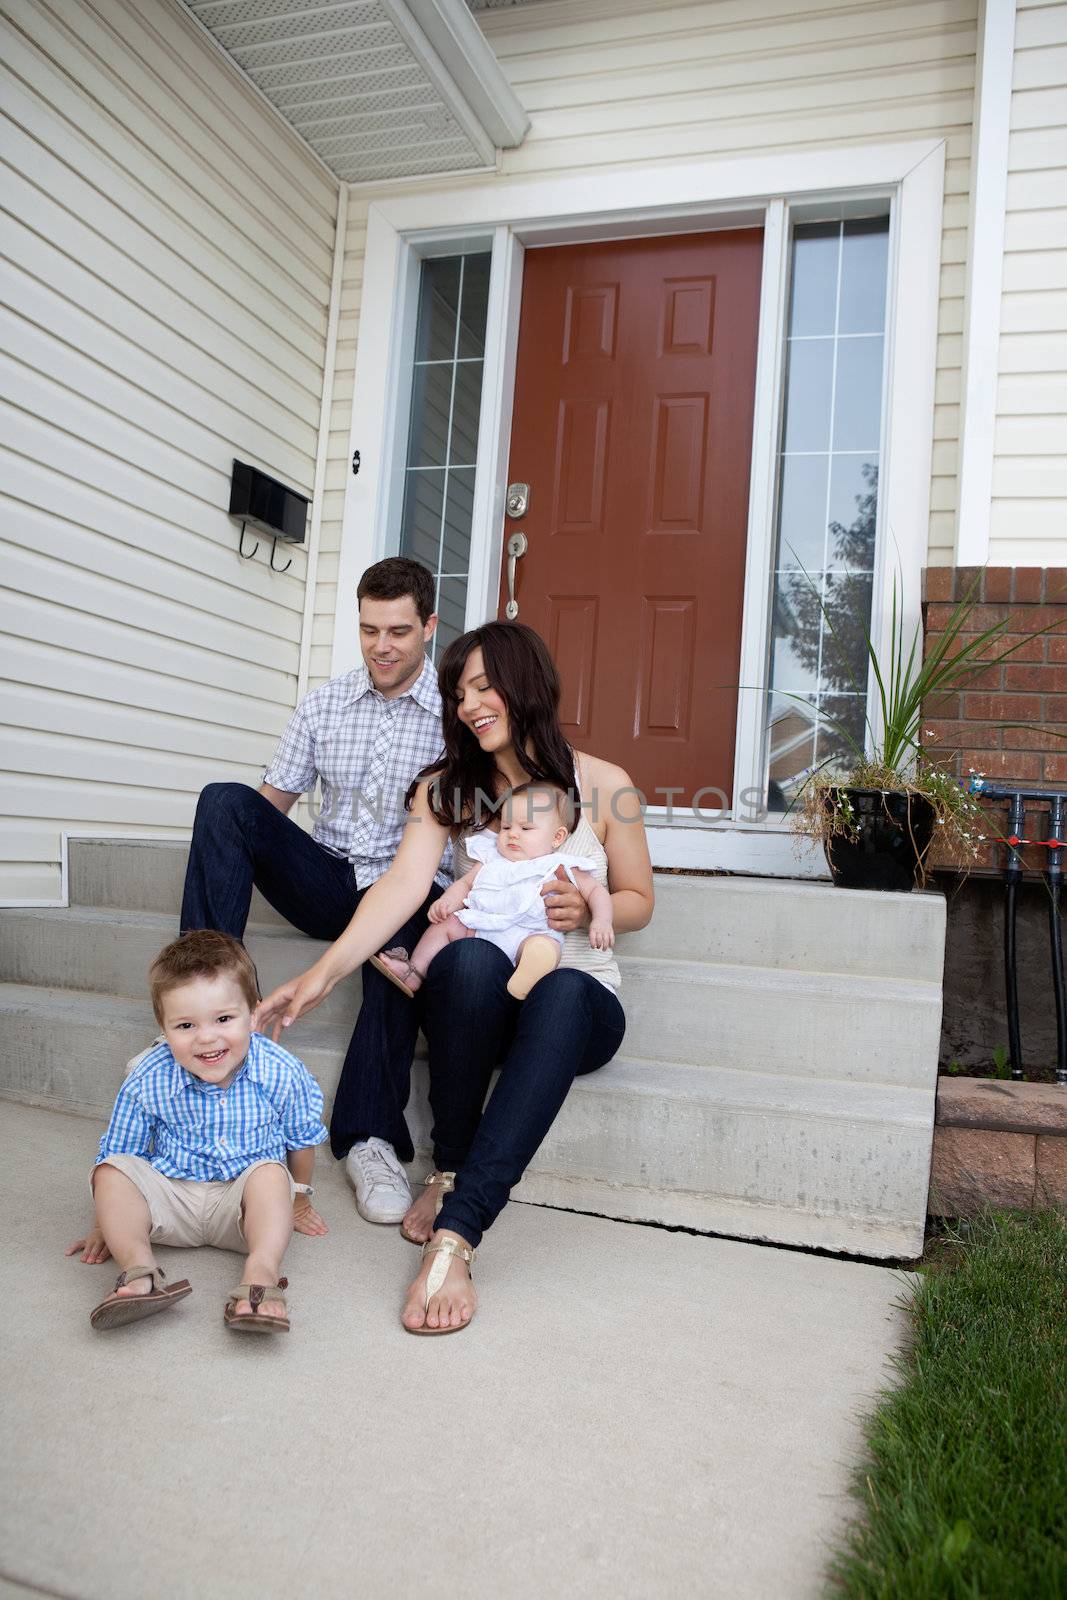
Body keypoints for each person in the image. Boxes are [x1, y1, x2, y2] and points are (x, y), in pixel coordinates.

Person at [256, 622, 654, 1336]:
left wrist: (588, 910)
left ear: (525, 683)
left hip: (574, 1005)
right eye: (457, 692)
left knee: (562, 986)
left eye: (482, 686)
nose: (469, 705)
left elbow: (638, 899)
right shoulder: (443, 789)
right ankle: (448, 1166)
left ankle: (457, 1232)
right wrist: (321, 975)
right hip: (482, 1005)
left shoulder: (603, 785)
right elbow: (403, 888)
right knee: (466, 957)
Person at [178, 556, 449, 1228]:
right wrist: (239, 831)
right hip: (327, 878)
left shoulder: (456, 714)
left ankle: (369, 1139)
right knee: (225, 800)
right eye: (368, 630)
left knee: (398, 953)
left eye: (397, 631)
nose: (381, 646)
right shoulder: (323, 703)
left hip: (406, 891)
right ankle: (200, 999)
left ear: (429, 628)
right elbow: (264, 811)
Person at [67, 931, 328, 1335]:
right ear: (164, 1027)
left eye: (224, 1019)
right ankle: (140, 1271)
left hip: (242, 1209)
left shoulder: (280, 1070)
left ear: (253, 1013)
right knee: (110, 1171)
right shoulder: (149, 1077)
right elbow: (123, 1151)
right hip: (172, 1200)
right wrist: (108, 1224)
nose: (206, 1038)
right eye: (186, 1025)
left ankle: (259, 1276)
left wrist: (299, 1199)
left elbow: (301, 1136)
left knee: (272, 1175)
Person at [372, 780, 614, 1001]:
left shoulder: (558, 864)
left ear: (557, 837)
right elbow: (466, 884)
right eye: (506, 827)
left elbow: (595, 891)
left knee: (543, 945)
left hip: (527, 933)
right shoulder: (492, 858)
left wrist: (601, 920)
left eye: (526, 829)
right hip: (479, 930)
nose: (512, 835)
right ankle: (415, 971)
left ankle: (528, 974)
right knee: (445, 925)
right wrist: (448, 901)